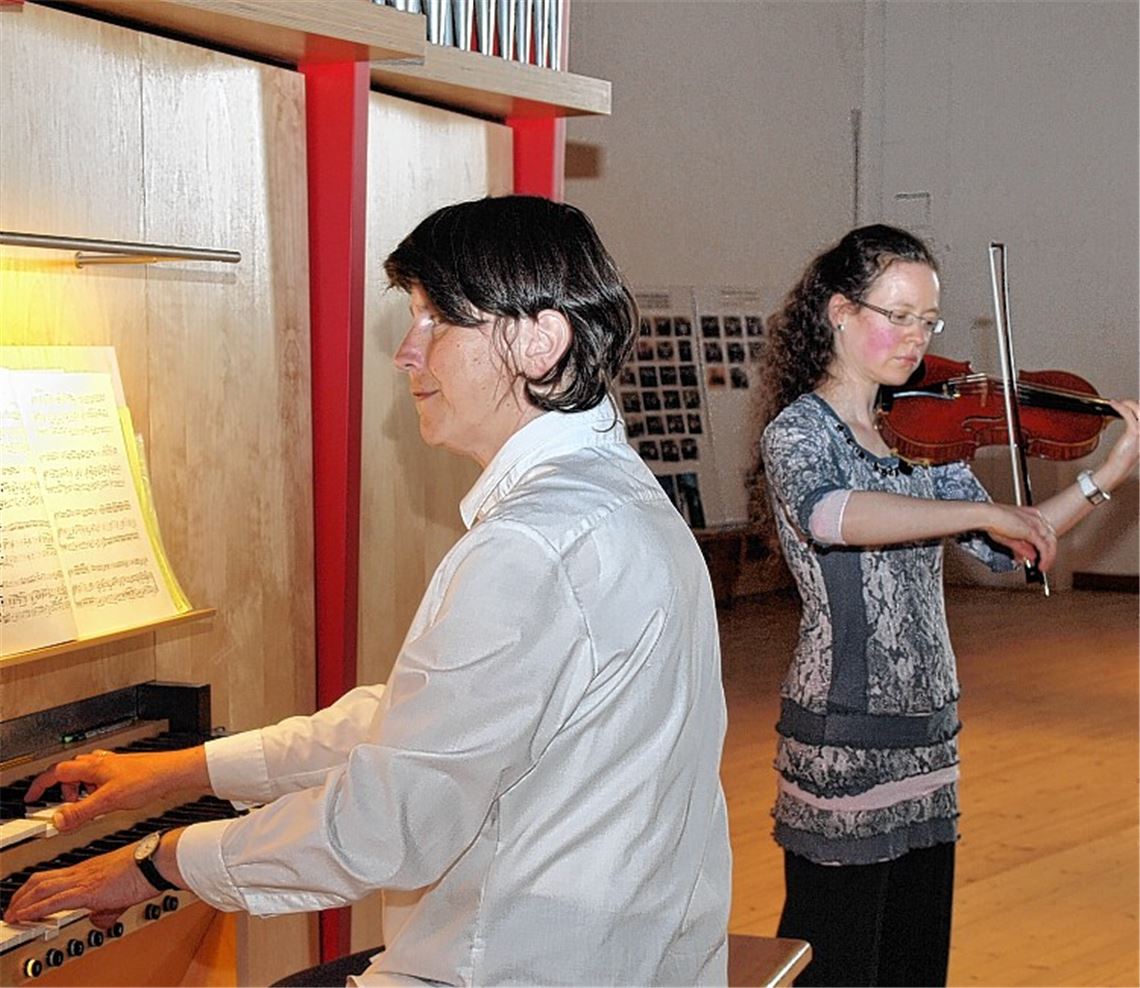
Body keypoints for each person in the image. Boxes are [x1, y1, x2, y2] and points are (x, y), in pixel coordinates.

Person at [5, 196, 732, 986]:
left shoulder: (531, 546)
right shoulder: (615, 498)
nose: (406, 353)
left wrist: (157, 860)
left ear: (539, 341)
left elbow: (385, 826)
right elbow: (422, 722)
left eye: (435, 321)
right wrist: (187, 771)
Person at [754, 223, 1139, 987]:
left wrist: (1106, 477)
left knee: (914, 965)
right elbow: (832, 516)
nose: (916, 337)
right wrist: (978, 511)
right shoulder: (798, 432)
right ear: (839, 311)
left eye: (927, 320)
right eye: (898, 315)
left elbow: (1012, 545)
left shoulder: (924, 436)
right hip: (845, 735)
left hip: (928, 736)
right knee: (836, 965)